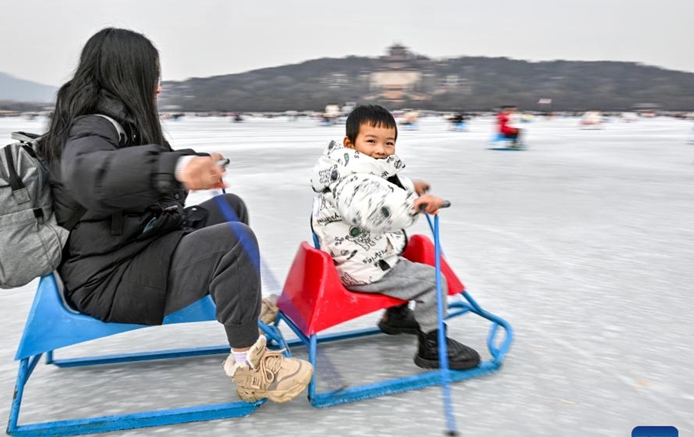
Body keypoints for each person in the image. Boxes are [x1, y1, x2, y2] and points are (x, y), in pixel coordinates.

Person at [38, 27, 312, 403]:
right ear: (128, 74)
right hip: (107, 278)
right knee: (232, 240)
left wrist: (191, 167)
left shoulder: (121, 122)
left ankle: (240, 308)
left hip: (133, 249)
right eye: (154, 76)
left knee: (228, 209)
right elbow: (91, 174)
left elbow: (142, 183)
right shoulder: (91, 125)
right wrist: (176, 168)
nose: (159, 88)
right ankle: (250, 365)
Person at [310, 105, 480, 370]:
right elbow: (374, 208)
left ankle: (397, 315)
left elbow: (382, 185)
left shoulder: (349, 169)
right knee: (432, 281)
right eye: (371, 141)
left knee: (411, 260)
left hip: (362, 259)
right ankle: (433, 346)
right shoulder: (350, 183)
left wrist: (411, 187)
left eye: (389, 143)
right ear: (349, 142)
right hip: (365, 269)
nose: (381, 150)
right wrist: (414, 205)